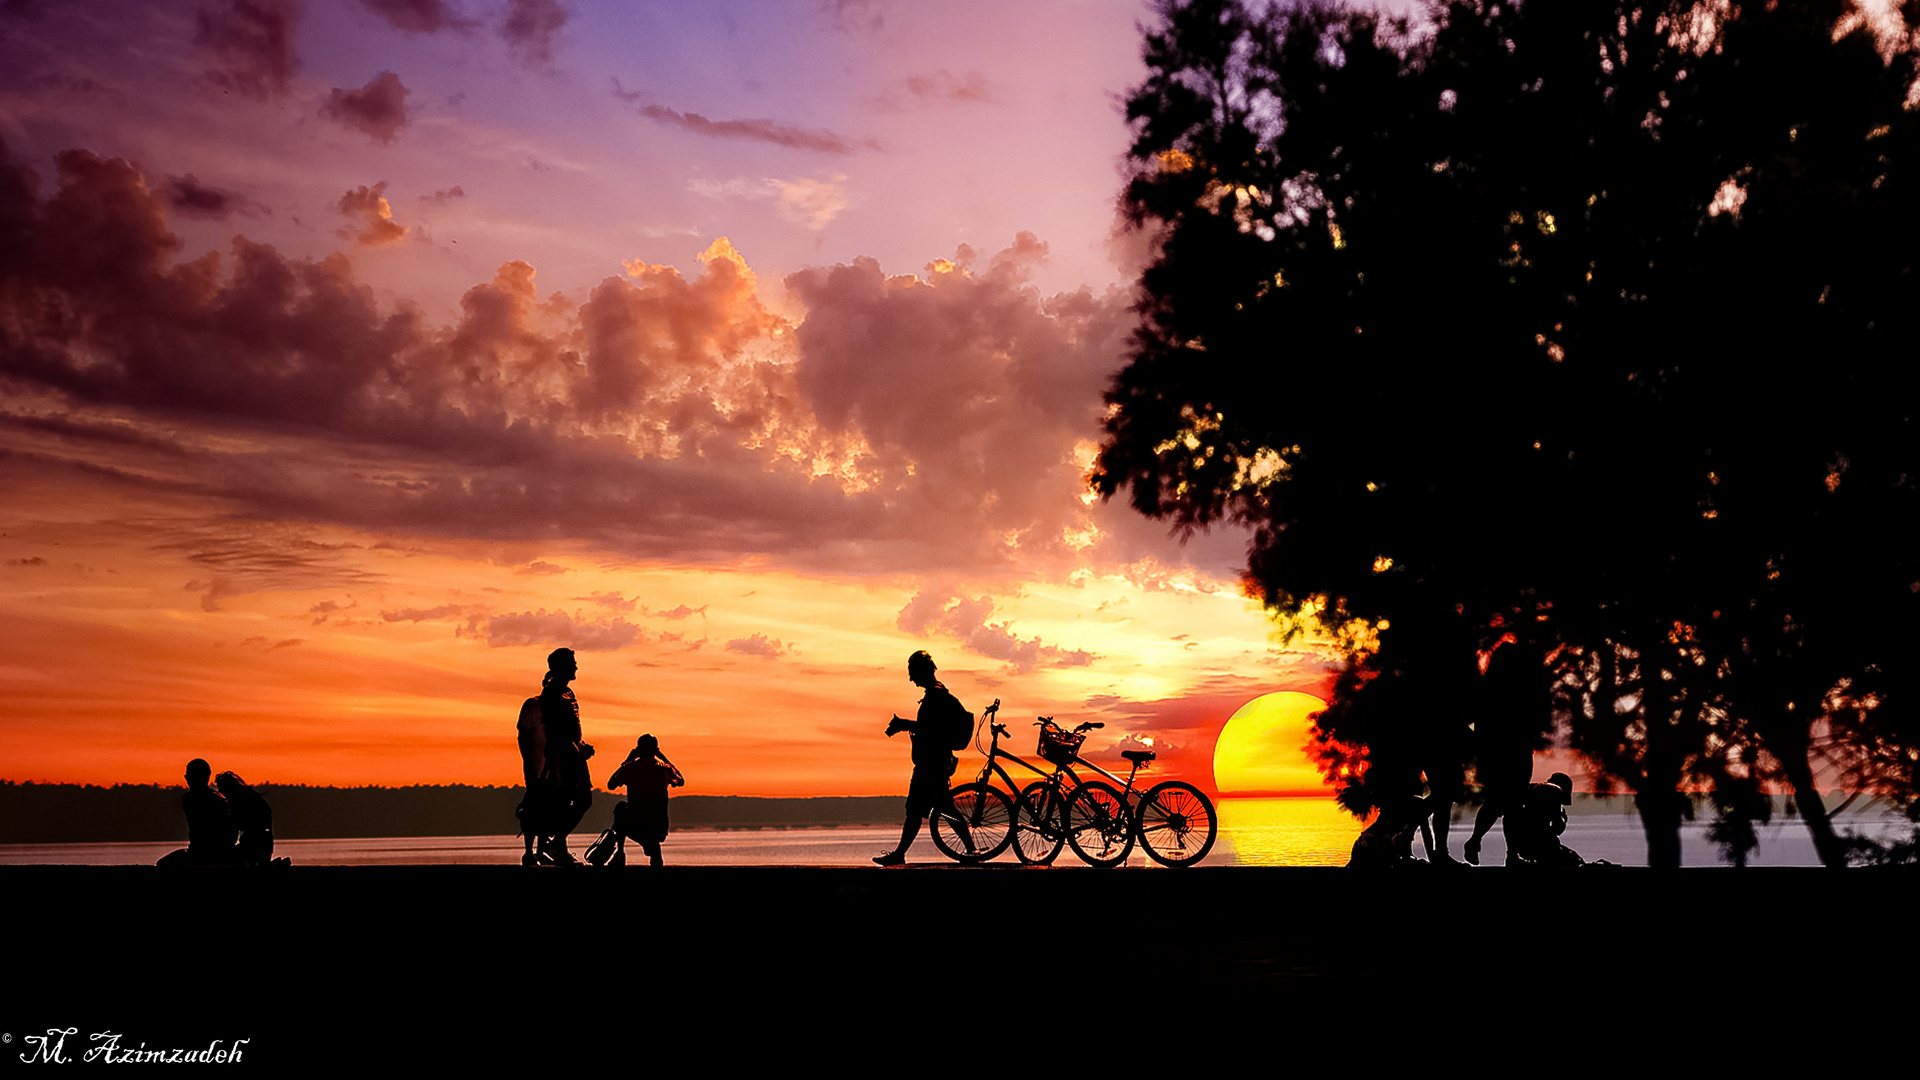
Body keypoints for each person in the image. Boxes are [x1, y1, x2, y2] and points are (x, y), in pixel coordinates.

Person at [873, 650, 972, 866]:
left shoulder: (935, 697)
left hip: (931, 763)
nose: (911, 678)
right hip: (936, 761)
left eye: (913, 672)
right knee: (940, 808)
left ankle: (900, 854)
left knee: (916, 810)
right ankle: (971, 851)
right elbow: (931, 728)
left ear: (922, 671)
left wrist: (903, 725)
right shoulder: (936, 693)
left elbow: (931, 730)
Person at [534, 647, 594, 865]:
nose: (576, 666)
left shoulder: (568, 693)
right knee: (563, 801)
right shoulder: (550, 694)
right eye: (572, 662)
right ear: (561, 666)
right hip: (561, 755)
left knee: (583, 798)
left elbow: (571, 728)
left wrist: (581, 746)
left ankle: (557, 844)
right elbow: (556, 731)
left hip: (574, 753)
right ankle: (556, 845)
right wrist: (576, 749)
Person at [604, 734, 685, 867]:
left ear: (638, 750)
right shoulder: (664, 769)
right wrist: (665, 759)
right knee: (642, 827)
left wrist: (626, 761)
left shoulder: (630, 769)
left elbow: (611, 784)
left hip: (637, 824)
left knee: (621, 809)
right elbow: (680, 781)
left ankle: (620, 853)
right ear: (656, 750)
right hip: (659, 825)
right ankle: (649, 846)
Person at [156, 758, 234, 866]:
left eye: (190, 777)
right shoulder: (218, 799)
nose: (188, 780)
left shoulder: (191, 799)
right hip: (206, 853)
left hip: (203, 854)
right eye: (188, 777)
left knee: (163, 865)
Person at [1506, 772, 1583, 867]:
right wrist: (1562, 817)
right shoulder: (1553, 791)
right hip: (1544, 850)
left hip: (1524, 848)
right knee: (1575, 861)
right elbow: (1558, 828)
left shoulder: (1530, 792)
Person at [215, 771, 276, 865]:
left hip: (256, 846)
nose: (220, 792)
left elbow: (233, 830)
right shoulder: (251, 797)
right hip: (263, 845)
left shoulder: (241, 801)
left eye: (221, 789)